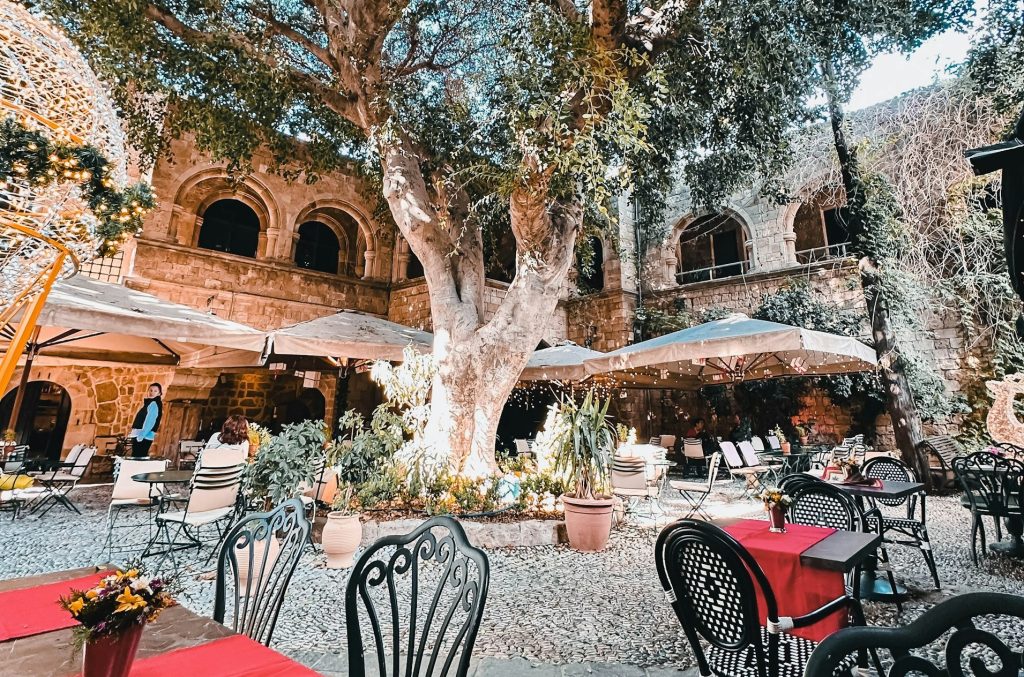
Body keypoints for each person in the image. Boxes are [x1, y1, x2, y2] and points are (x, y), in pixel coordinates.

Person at [129, 383, 163, 458]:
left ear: (159, 393)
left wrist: (141, 435)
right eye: (150, 390)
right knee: (137, 458)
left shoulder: (154, 403)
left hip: (143, 436)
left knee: (138, 458)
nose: (152, 392)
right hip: (141, 435)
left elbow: (150, 421)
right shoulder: (149, 403)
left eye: (155, 391)